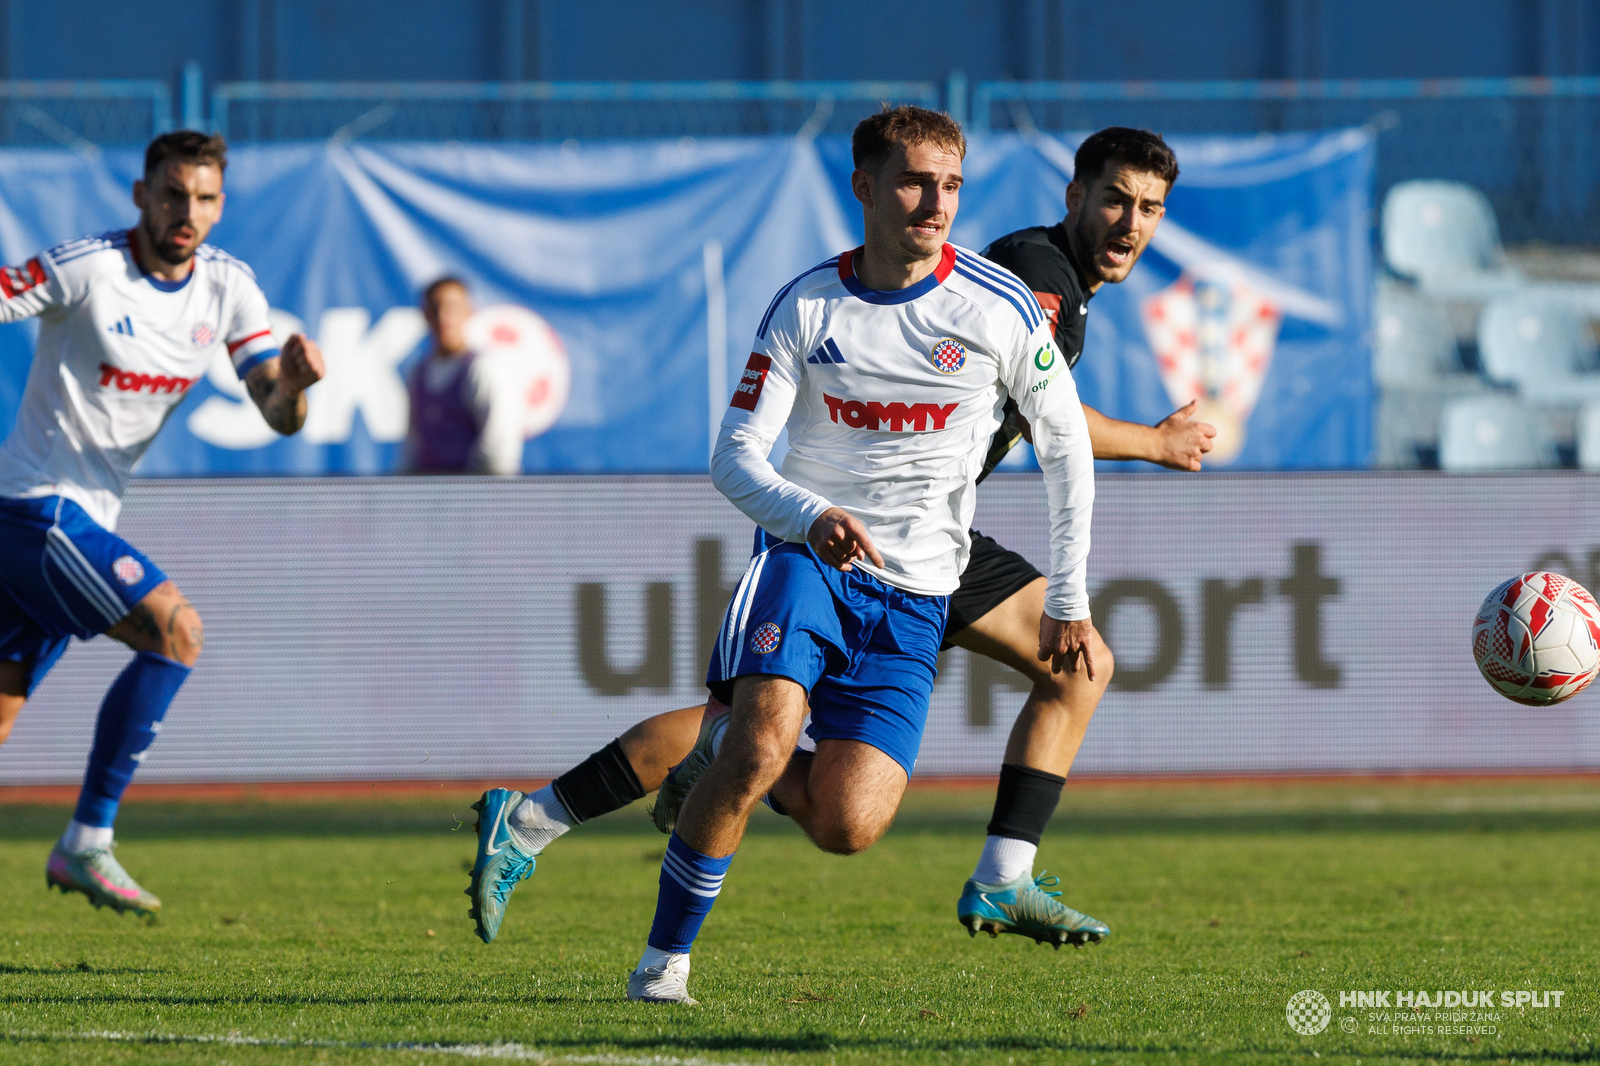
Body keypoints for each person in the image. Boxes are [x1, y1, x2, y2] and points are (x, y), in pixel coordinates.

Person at [464, 126, 1203, 957]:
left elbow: (1050, 421)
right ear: (1074, 198)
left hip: (937, 537)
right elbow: (1050, 422)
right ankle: (555, 832)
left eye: (1150, 209)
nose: (1131, 223)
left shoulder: (1045, 282)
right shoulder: (1036, 282)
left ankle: (1001, 874)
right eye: (1115, 199)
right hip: (861, 538)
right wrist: (1153, 441)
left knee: (1068, 671)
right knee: (756, 737)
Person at [0, 130, 324, 916]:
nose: (188, 211)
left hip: (79, 519)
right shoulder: (88, 267)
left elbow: (275, 412)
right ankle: (88, 841)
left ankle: (85, 846)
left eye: (205, 198)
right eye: (173, 194)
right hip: (36, 508)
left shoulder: (229, 288)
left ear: (220, 204)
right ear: (141, 195)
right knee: (176, 629)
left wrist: (300, 387)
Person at [402, 276, 523, 476]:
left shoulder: (482, 370)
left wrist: (466, 496)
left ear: (468, 312)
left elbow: (499, 448)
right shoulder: (417, 374)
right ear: (425, 315)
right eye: (435, 307)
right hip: (432, 500)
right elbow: (412, 446)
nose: (443, 317)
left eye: (452, 308)